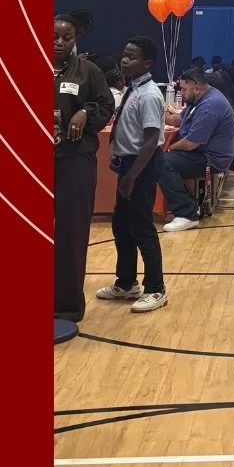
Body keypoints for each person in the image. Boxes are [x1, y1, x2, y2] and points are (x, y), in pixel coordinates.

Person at [95, 36, 168, 313]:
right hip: (129, 163)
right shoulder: (133, 88)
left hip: (143, 166)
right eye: (124, 55)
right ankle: (126, 283)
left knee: (142, 228)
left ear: (147, 63)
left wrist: (131, 175)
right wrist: (118, 154)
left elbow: (150, 140)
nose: (124, 60)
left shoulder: (149, 93)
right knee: (122, 226)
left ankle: (156, 288)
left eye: (132, 57)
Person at [54, 11, 115, 322]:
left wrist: (85, 113)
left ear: (76, 40)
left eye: (67, 38)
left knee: (70, 231)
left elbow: (106, 103)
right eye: (55, 37)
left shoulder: (88, 71)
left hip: (73, 160)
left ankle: (65, 306)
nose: (60, 43)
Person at [158, 68, 234, 231]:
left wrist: (168, 148)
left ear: (197, 87)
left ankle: (187, 213)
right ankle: (190, 205)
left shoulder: (210, 105)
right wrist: (156, 116)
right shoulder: (200, 99)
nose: (182, 93)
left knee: (162, 163)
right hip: (199, 152)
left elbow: (191, 143)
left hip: (211, 158)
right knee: (163, 159)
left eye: (184, 89)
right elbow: (180, 118)